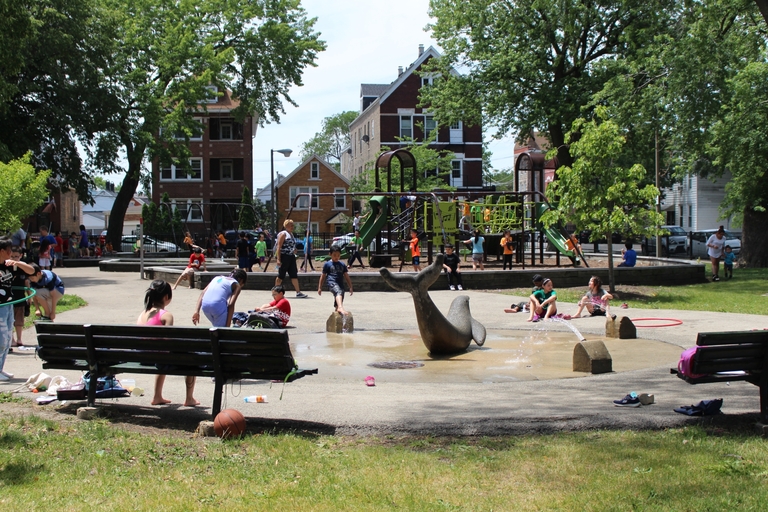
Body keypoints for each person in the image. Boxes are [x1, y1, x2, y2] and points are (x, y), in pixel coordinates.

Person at [136, 280, 200, 406]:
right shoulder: (166, 315)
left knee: (162, 355)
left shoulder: (142, 314)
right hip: (160, 358)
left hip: (143, 357)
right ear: (166, 297)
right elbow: (169, 341)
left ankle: (157, 396)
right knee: (192, 358)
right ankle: (189, 398)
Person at [1, 239, 36, 379]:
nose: (11, 254)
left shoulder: (8, 265)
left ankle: (0, 368)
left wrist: (16, 262)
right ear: (2, 251)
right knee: (1, 339)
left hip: (9, 304)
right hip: (0, 306)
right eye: (9, 251)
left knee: (8, 338)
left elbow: (32, 271)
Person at [274, 219, 308, 298]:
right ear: (286, 226)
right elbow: (279, 247)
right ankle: (275, 291)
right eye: (290, 225)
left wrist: (294, 249)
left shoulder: (291, 234)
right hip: (284, 256)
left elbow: (291, 245)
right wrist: (278, 259)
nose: (292, 227)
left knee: (294, 274)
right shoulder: (283, 234)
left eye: (293, 225)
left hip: (291, 256)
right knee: (281, 275)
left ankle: (298, 292)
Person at [9, 246, 34, 348]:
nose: (14, 259)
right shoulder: (7, 267)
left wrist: (29, 297)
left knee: (19, 320)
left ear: (20, 256)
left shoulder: (23, 268)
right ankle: (12, 339)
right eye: (12, 256)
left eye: (16, 256)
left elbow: (27, 283)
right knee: (9, 320)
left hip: (20, 297)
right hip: (8, 298)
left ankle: (19, 338)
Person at [318, 245, 354, 316]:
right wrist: (320, 287)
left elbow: (346, 276)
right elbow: (323, 276)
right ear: (330, 254)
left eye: (338, 255)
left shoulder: (342, 264)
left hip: (340, 284)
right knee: (338, 291)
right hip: (331, 283)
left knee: (340, 294)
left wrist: (350, 286)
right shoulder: (327, 264)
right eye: (334, 255)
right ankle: (341, 307)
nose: (336, 257)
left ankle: (338, 312)